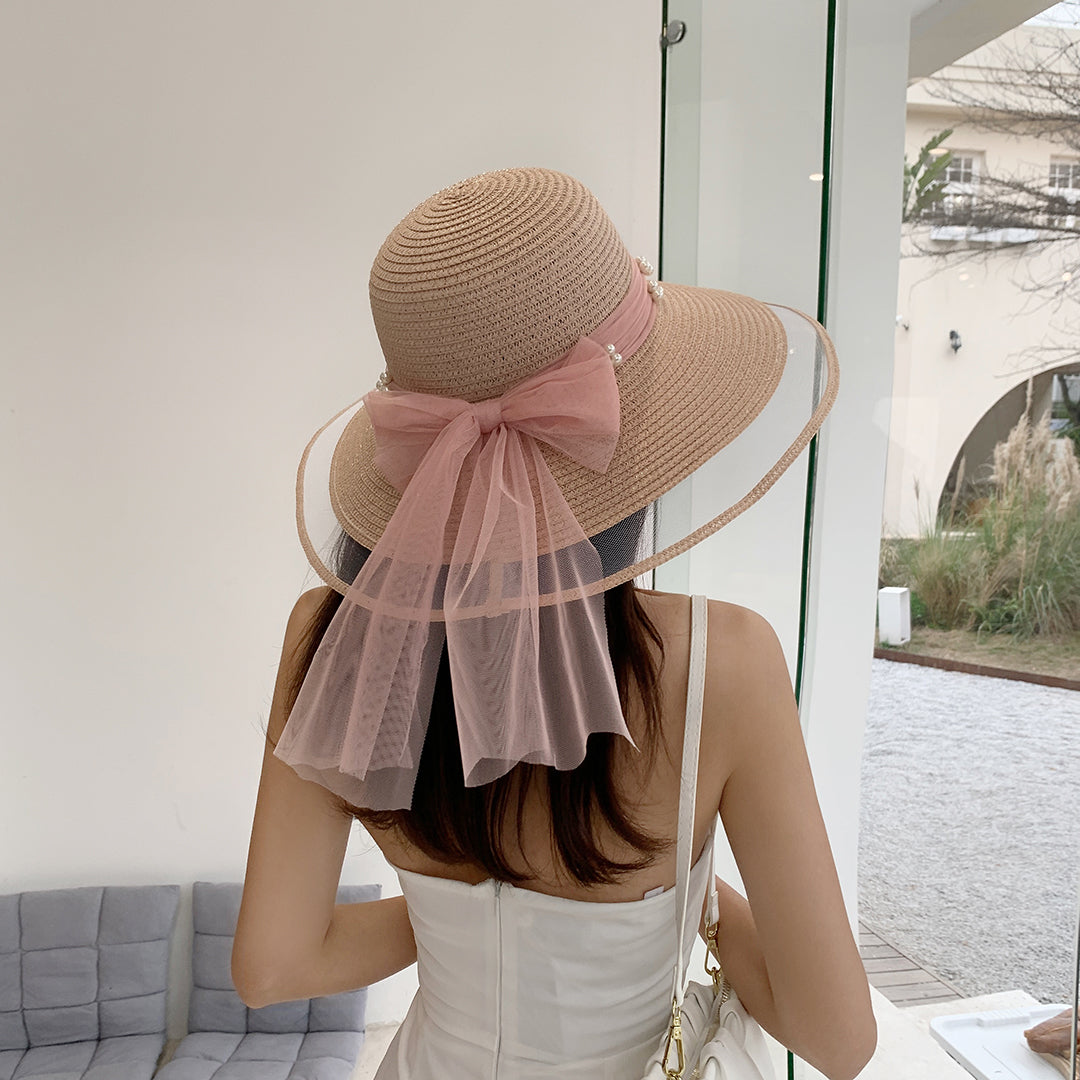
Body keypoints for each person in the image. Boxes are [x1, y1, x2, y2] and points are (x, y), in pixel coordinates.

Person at [231, 167, 877, 1080]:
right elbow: (839, 1040)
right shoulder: (722, 660)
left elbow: (272, 967)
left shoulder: (330, 640)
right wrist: (691, 904)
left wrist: (451, 922)